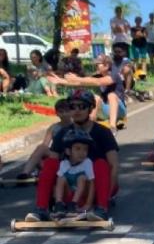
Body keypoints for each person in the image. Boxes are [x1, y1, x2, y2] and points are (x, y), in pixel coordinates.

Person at [26, 90, 119, 223]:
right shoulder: (62, 132)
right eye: (72, 107)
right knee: (51, 163)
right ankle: (41, 208)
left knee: (100, 163)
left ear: (91, 108)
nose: (76, 110)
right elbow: (52, 165)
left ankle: (101, 209)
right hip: (70, 186)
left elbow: (114, 166)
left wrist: (107, 196)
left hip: (95, 186)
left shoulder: (103, 132)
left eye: (82, 106)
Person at [47, 54, 128, 135]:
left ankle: (112, 127)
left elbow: (99, 82)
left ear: (106, 65)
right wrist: (61, 81)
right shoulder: (97, 76)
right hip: (106, 110)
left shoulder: (114, 74)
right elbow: (81, 83)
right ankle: (89, 128)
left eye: (97, 64)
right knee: (95, 98)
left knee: (111, 95)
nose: (95, 66)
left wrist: (76, 78)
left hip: (120, 110)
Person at [17, 98, 71, 180]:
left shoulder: (76, 126)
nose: (64, 114)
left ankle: (50, 171)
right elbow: (45, 145)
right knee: (40, 148)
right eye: (61, 112)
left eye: (66, 111)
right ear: (57, 113)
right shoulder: (53, 127)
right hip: (55, 155)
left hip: (70, 155)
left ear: (71, 112)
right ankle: (25, 173)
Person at [52, 128, 95, 219]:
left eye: (85, 149)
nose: (82, 153)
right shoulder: (64, 163)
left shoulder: (87, 162)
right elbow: (57, 185)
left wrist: (88, 204)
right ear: (68, 151)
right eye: (78, 149)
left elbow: (92, 183)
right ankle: (59, 205)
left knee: (82, 177)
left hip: (81, 197)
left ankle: (73, 205)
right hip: (69, 193)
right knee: (61, 178)